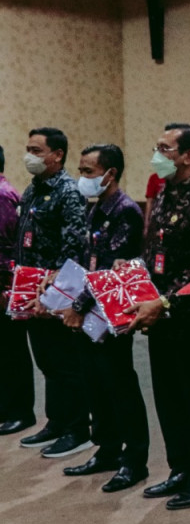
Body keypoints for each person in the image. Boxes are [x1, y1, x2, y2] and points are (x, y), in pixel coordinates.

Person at [125, 123, 190, 510]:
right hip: (160, 316)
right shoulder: (164, 194)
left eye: (165, 149)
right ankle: (180, 469)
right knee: (167, 398)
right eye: (156, 146)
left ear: (188, 156)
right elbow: (155, 258)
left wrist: (163, 302)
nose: (157, 154)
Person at [58, 144, 150, 492]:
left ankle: (134, 459)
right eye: (81, 171)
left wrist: (77, 306)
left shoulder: (125, 211)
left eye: (88, 172)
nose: (82, 178)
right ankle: (107, 449)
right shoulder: (93, 208)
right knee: (94, 383)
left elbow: (113, 268)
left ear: (110, 174)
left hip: (112, 313)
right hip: (87, 313)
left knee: (119, 384)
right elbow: (87, 261)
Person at [15, 127, 92, 458]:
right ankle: (56, 421)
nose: (29, 156)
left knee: (64, 362)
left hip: (57, 289)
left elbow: (74, 245)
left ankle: (77, 428)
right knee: (46, 359)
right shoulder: (32, 191)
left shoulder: (68, 192)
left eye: (36, 150)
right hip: (31, 288)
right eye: (28, 149)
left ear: (57, 155)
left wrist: (58, 290)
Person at [0, 143, 37, 437]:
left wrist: (4, 286)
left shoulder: (2, 196)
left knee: (11, 349)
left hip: (4, 285)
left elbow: (6, 247)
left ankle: (19, 411)